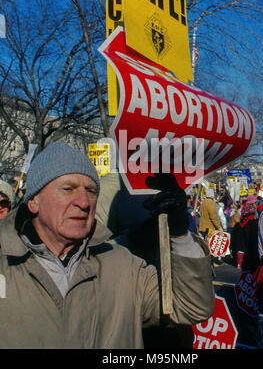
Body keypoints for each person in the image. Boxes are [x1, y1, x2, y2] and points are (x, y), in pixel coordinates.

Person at [0, 142, 215, 349]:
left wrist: (179, 234)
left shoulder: (123, 265)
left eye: (91, 191)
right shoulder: (5, 269)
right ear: (34, 200)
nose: (84, 202)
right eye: (68, 189)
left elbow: (191, 308)